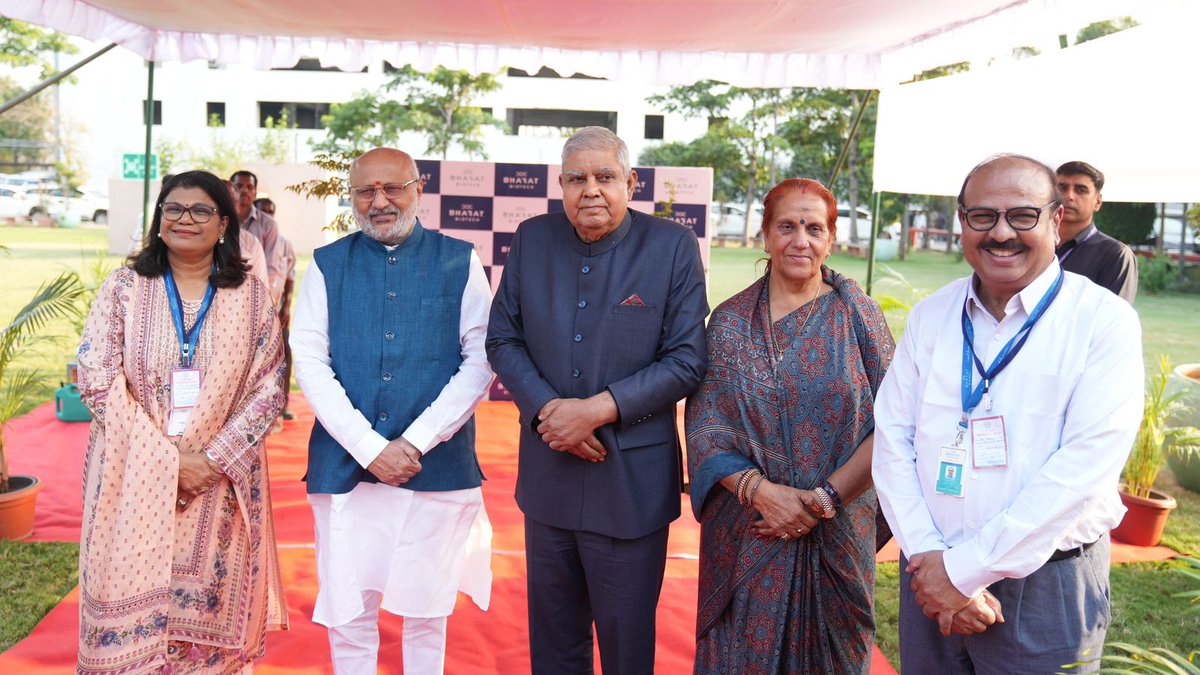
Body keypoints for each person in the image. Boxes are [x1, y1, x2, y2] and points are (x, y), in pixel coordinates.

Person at [872, 154, 1144, 673]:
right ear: (961, 223)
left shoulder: (1102, 322)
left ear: (1055, 221)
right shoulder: (934, 315)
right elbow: (893, 439)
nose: (1002, 233)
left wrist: (966, 572)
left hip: (1045, 588)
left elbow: (1084, 468)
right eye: (983, 217)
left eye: (1022, 216)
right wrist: (935, 564)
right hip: (928, 572)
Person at [486, 126, 709, 674]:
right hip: (549, 478)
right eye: (577, 178)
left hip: (630, 486)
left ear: (631, 183)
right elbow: (502, 339)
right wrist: (545, 411)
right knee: (554, 646)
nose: (591, 190)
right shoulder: (533, 239)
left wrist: (595, 409)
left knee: (626, 649)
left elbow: (687, 359)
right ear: (560, 185)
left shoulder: (671, 247)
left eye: (605, 176)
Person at [291, 147, 493, 674]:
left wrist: (414, 442)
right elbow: (309, 363)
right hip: (345, 470)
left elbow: (481, 359)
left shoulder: (458, 259)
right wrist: (369, 449)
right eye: (365, 191)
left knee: (427, 611)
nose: (379, 201)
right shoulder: (327, 264)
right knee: (349, 609)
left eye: (392, 188)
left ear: (417, 188)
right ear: (352, 196)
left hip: (436, 468)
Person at [76, 169, 288, 673]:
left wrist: (209, 461)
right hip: (129, 479)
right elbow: (95, 377)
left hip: (221, 483)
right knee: (126, 616)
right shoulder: (125, 288)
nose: (185, 219)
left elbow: (271, 385)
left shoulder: (252, 296)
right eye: (173, 209)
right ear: (158, 220)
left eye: (200, 210)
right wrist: (170, 463)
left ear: (223, 224)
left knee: (209, 647)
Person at [685, 178, 893, 673]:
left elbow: (895, 422)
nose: (801, 240)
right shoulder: (731, 322)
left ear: (831, 239)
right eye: (787, 226)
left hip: (838, 525)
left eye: (813, 228)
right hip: (751, 527)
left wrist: (823, 500)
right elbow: (705, 427)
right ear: (765, 236)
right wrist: (764, 494)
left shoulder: (859, 316)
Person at [1055, 161, 1138, 303]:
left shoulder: (1115, 254)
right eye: (1062, 188)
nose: (1069, 196)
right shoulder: (1036, 246)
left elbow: (1114, 316)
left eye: (1081, 190)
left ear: (1098, 202)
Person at [231, 170, 286, 307]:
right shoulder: (222, 222)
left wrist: (263, 302)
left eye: (250, 187)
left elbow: (271, 266)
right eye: (239, 186)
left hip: (257, 295)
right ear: (231, 190)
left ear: (255, 193)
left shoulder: (269, 224)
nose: (244, 191)